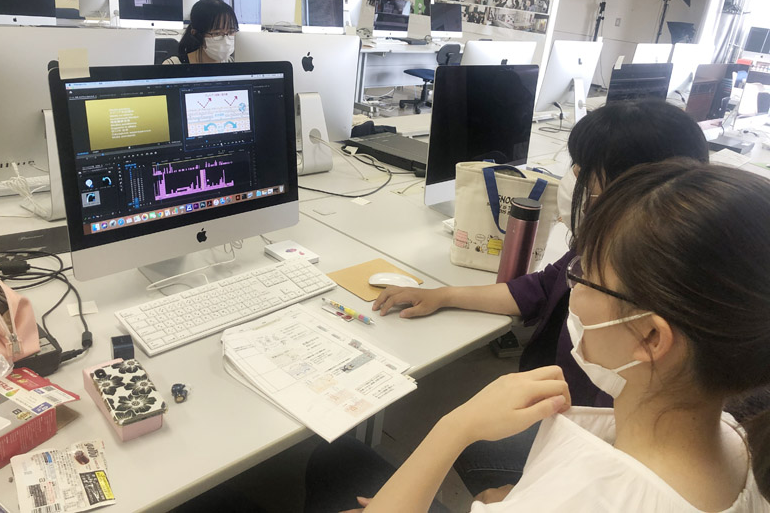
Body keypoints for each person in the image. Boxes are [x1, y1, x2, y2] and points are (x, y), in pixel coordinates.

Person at [305, 160, 770, 512]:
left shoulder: (581, 497)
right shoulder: (739, 442)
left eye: (583, 276)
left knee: (336, 460)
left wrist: (455, 426)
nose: (571, 286)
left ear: (651, 338)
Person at [372, 100, 709, 496]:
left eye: (583, 171)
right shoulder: (612, 253)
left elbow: (622, 457)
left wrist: (522, 493)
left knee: (456, 441)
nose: (572, 178)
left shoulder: (643, 319)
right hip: (575, 424)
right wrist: (444, 295)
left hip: (587, 448)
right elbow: (544, 286)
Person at [163, 0, 238, 65]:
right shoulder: (173, 65)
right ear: (197, 35)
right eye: (217, 33)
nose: (226, 41)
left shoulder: (229, 62)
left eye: (231, 32)